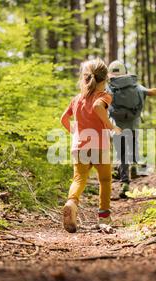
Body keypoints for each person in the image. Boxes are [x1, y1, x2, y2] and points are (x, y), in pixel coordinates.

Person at [60, 58, 122, 233]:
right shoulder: (104, 96)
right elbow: (97, 107)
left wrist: (73, 131)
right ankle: (104, 217)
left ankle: (71, 203)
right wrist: (111, 126)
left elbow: (63, 119)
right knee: (105, 180)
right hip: (99, 146)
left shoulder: (76, 99)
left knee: (79, 179)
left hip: (79, 146)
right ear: (104, 80)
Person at [107, 60, 156, 198]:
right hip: (133, 124)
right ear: (125, 71)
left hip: (117, 126)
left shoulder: (109, 88)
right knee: (132, 148)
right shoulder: (135, 85)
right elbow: (152, 92)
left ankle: (124, 182)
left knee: (121, 154)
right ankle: (134, 164)